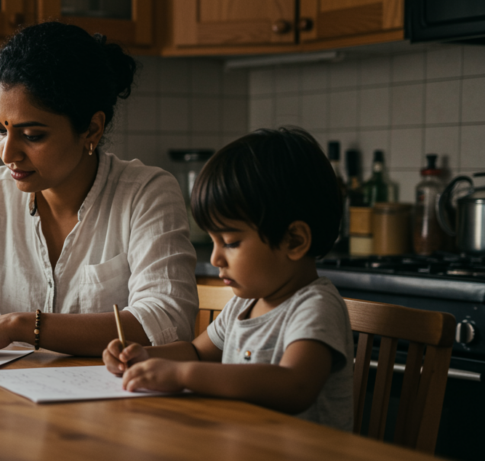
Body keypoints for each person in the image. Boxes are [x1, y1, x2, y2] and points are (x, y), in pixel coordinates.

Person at [0, 21, 198, 359]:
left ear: (92, 129)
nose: (8, 154)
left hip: (121, 403)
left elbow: (168, 322)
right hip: (19, 402)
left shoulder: (147, 193)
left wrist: (20, 326)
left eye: (32, 135)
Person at [103, 127, 353, 431]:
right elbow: (196, 352)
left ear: (294, 240)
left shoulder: (314, 307)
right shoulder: (243, 305)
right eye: (213, 241)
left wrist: (184, 376)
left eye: (231, 242)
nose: (215, 258)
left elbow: (295, 385)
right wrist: (144, 356)